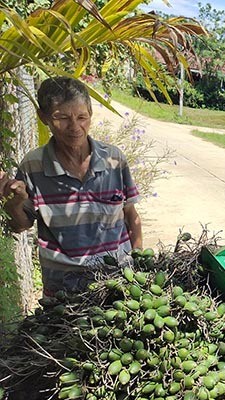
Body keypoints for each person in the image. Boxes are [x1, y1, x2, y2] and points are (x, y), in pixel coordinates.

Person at [0, 76, 142, 296]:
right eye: (62, 118)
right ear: (43, 117)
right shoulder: (33, 166)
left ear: (90, 115)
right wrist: (16, 202)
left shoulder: (114, 160)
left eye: (82, 117)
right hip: (62, 288)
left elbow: (131, 216)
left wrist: (139, 266)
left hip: (117, 281)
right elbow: (20, 226)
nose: (75, 127)